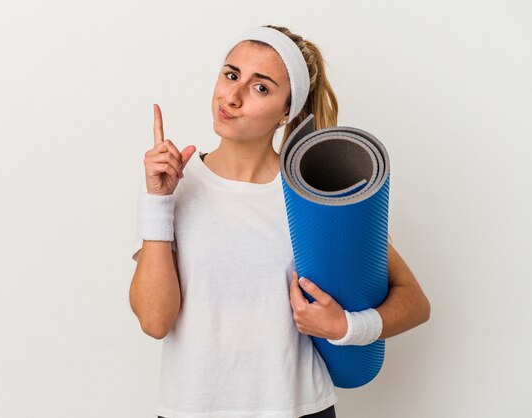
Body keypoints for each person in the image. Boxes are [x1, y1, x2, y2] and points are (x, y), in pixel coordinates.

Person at [129, 24, 431, 418]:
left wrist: (346, 327)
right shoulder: (173, 186)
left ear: (286, 111)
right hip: (191, 408)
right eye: (231, 74)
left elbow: (415, 302)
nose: (232, 97)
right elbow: (154, 321)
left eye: (261, 87)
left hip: (298, 410)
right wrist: (157, 200)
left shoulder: (311, 194)